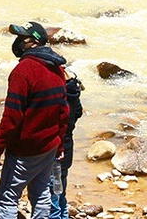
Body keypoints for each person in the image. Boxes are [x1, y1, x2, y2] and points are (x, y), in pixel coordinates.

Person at [0, 21, 70, 219]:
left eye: (21, 38)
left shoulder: (23, 71)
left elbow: (12, 116)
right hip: (49, 146)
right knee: (41, 192)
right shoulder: (56, 67)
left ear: (33, 42)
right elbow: (63, 112)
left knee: (8, 196)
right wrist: (59, 144)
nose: (17, 42)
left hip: (25, 148)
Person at [49, 67, 83, 219]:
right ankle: (63, 216)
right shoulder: (74, 94)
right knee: (60, 189)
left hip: (55, 148)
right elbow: (78, 113)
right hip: (67, 146)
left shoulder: (57, 96)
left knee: (52, 192)